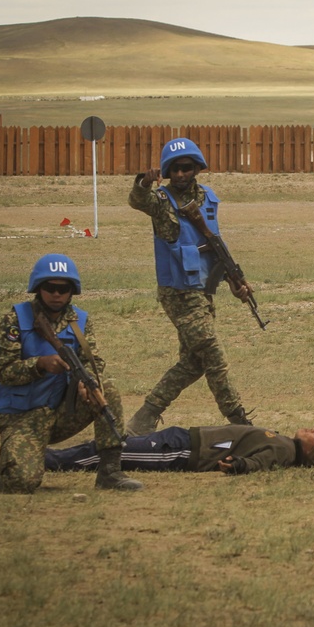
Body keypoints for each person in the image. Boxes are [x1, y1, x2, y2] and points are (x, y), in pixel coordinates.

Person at [126, 138, 254, 435]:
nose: (181, 174)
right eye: (175, 170)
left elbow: (214, 243)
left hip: (203, 291)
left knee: (193, 363)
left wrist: (235, 279)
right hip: (178, 292)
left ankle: (145, 416)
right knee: (212, 354)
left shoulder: (209, 198)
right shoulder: (160, 200)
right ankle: (239, 420)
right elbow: (137, 200)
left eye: (186, 168)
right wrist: (144, 184)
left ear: (197, 168)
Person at [0, 254, 143, 493]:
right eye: (50, 288)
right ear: (38, 288)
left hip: (60, 411)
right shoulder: (15, 320)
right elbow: (3, 371)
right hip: (20, 416)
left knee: (105, 388)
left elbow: (94, 361)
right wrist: (40, 365)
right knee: (20, 484)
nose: (57, 294)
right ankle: (10, 459)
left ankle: (110, 471)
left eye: (63, 288)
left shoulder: (79, 321)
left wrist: (84, 382)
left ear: (72, 291)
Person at [39, 425, 314, 474]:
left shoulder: (286, 452)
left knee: (109, 451)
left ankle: (41, 461)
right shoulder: (285, 442)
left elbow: (259, 462)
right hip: (183, 438)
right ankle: (44, 456)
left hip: (182, 451)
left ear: (312, 452)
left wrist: (239, 466)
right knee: (112, 445)